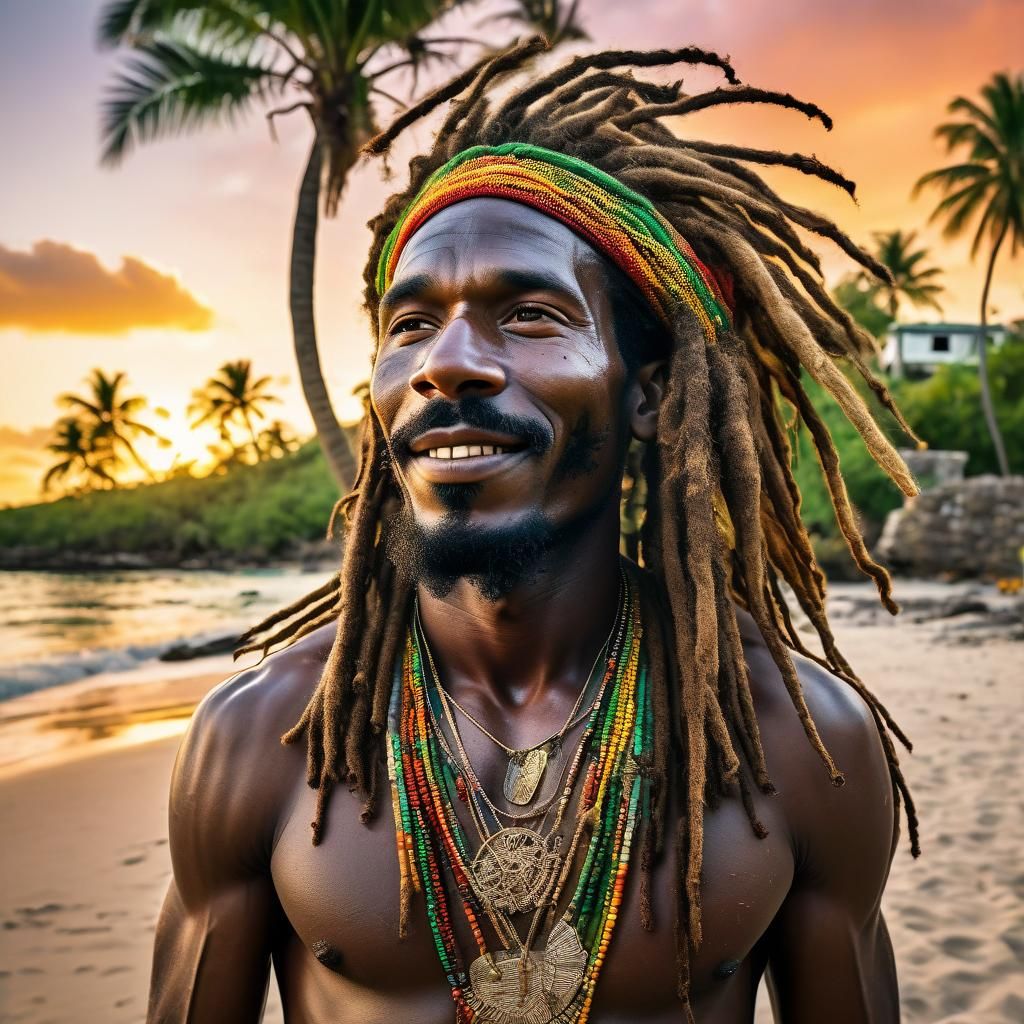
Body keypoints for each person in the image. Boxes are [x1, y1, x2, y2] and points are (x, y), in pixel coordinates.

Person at [147, 40, 920, 1024]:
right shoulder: (258, 740)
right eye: (411, 324)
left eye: (529, 313)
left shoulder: (803, 747)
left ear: (646, 395)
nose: (448, 363)